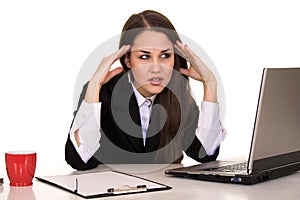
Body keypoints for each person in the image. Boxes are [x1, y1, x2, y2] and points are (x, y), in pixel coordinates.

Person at [65, 10, 227, 170]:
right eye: (144, 56)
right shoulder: (102, 93)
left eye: (165, 56)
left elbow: (205, 154)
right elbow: (79, 160)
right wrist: (94, 86)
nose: (156, 68)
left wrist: (210, 83)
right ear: (127, 60)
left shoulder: (177, 95)